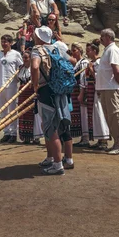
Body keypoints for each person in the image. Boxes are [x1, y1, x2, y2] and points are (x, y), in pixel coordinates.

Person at [31, 26, 76, 175]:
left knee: (50, 126)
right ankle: (57, 159)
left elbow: (35, 66)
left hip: (46, 91)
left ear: (39, 37)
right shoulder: (57, 48)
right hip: (60, 90)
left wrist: (35, 85)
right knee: (58, 123)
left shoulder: (37, 50)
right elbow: (73, 61)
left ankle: (57, 165)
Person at [97, 28, 119, 155]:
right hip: (105, 87)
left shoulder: (113, 50)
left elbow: (116, 70)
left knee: (115, 116)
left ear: (108, 37)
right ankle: (116, 143)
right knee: (110, 117)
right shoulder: (108, 50)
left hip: (111, 88)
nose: (100, 39)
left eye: (102, 37)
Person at [0, 35, 23, 143]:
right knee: (3, 110)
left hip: (11, 86)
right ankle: (6, 132)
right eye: (2, 42)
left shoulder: (16, 54)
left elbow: (21, 68)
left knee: (12, 110)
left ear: (10, 43)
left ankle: (13, 133)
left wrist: (19, 79)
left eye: (5, 42)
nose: (3, 44)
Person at [80, 40, 109, 150]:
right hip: (92, 91)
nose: (87, 53)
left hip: (98, 91)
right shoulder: (92, 62)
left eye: (88, 51)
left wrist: (91, 70)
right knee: (94, 115)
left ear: (94, 51)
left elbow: (100, 77)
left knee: (100, 114)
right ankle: (99, 139)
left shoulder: (99, 62)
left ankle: (104, 141)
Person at [17, 50, 43, 145]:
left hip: (31, 92)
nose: (24, 59)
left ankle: (35, 137)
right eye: (23, 58)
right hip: (22, 93)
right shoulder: (21, 68)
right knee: (23, 114)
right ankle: (26, 137)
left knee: (33, 114)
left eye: (26, 58)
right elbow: (17, 79)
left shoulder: (34, 68)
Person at [70, 43, 89, 147]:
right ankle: (83, 137)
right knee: (79, 113)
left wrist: (82, 92)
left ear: (79, 51)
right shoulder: (77, 63)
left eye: (74, 50)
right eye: (72, 51)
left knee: (83, 113)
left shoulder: (83, 63)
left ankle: (85, 138)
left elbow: (83, 78)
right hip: (75, 90)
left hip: (80, 90)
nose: (72, 53)